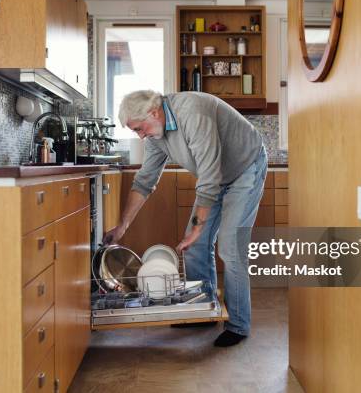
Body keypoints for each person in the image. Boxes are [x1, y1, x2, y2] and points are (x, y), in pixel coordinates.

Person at [103, 90, 267, 347]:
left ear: (153, 113)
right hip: (217, 178)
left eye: (139, 128)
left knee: (231, 248)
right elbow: (145, 181)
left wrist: (197, 228)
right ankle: (203, 311)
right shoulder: (156, 135)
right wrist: (123, 225)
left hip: (245, 167)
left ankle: (238, 325)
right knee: (194, 247)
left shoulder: (192, 113)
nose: (140, 135)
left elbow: (209, 176)